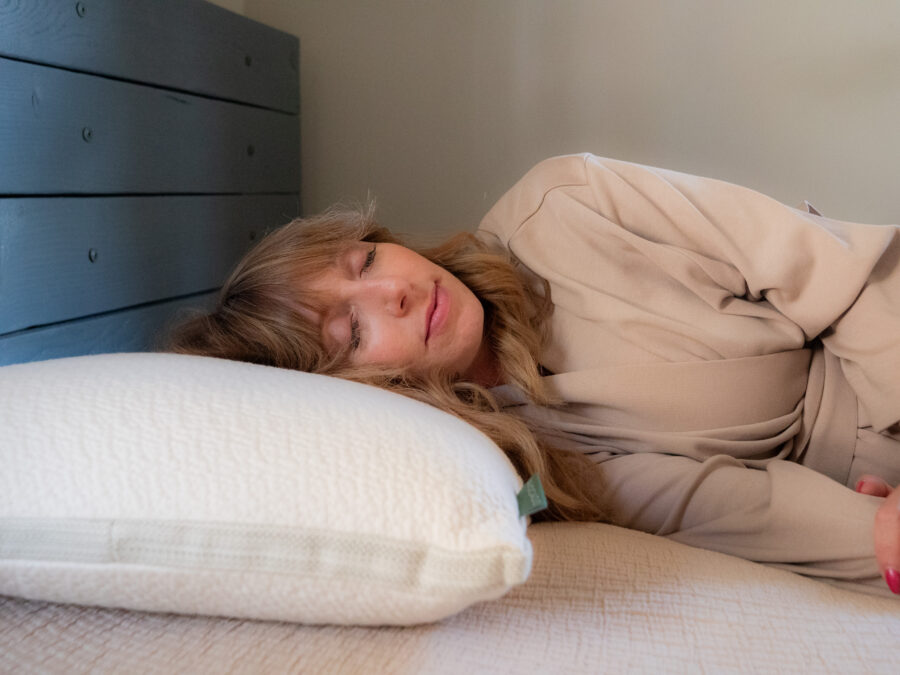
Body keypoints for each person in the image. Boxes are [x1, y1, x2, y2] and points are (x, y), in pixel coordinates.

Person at [167, 153, 900, 599]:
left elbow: (836, 271)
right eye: (352, 331)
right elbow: (733, 509)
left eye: (365, 260)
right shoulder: (523, 459)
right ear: (353, 394)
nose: (394, 291)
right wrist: (879, 538)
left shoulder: (565, 204)